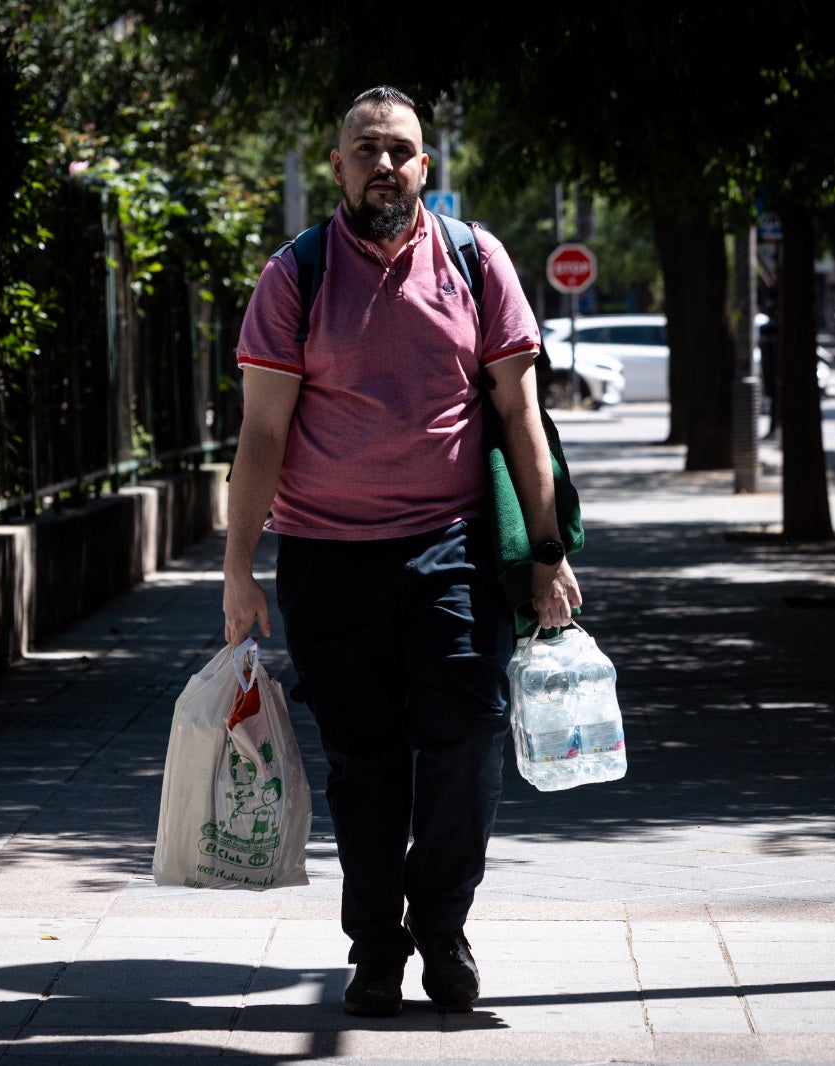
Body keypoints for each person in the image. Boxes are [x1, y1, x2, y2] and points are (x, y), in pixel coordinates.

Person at [222, 85, 581, 1017]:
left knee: (469, 738)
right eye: (365, 150)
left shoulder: (476, 260)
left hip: (451, 547)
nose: (383, 165)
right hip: (327, 555)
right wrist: (237, 571)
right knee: (364, 762)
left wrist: (547, 550)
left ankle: (443, 924)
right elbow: (262, 434)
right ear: (338, 166)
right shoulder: (295, 276)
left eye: (399, 150)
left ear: (426, 165)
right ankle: (377, 950)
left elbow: (520, 414)